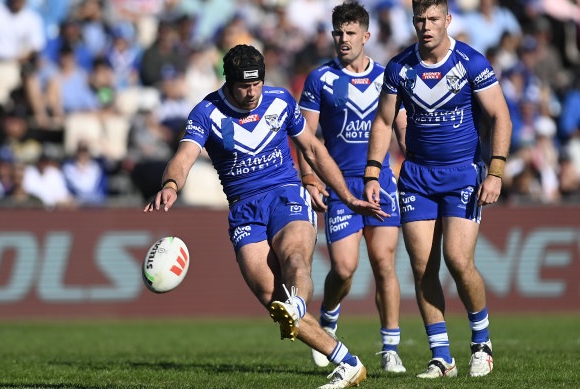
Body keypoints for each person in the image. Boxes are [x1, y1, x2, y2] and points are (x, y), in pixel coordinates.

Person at [144, 44, 387, 389]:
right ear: (228, 81)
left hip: (287, 195)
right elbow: (183, 157)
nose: (251, 92)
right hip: (244, 208)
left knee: (295, 260)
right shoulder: (207, 112)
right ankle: (348, 363)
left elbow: (314, 150)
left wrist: (347, 196)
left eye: (256, 83)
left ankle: (299, 306)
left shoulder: (281, 100)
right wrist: (170, 184)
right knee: (272, 298)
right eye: (244, 86)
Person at [364, 0, 512, 379]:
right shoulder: (399, 66)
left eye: (433, 19)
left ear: (447, 20)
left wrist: (495, 170)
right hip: (416, 175)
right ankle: (441, 358)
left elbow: (500, 115)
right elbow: (383, 122)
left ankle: (482, 345)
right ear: (412, 21)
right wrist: (372, 173)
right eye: (419, 19)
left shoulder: (471, 62)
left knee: (459, 261)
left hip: (463, 173)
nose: (426, 26)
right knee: (421, 266)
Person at [297, 1, 407, 373]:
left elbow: (401, 126)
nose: (343, 39)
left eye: (350, 33)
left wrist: (417, 158)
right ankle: (328, 318)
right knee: (344, 268)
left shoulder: (388, 76)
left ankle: (390, 348)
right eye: (337, 33)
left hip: (381, 183)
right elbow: (305, 136)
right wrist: (310, 179)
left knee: (384, 265)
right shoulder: (319, 79)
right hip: (339, 186)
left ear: (366, 35)